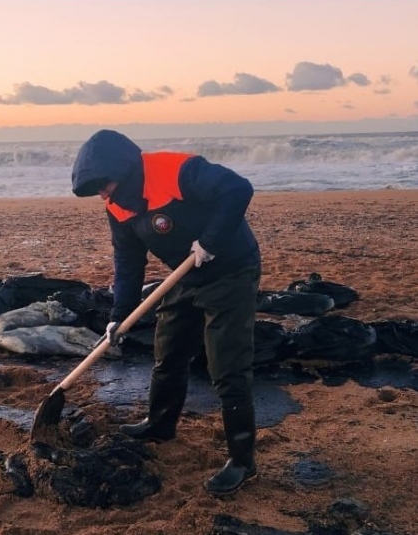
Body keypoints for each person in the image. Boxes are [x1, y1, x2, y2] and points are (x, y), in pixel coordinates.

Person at [71, 129, 262, 496]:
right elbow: (127, 261)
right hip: (185, 274)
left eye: (104, 185)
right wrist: (119, 313)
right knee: (169, 349)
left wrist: (210, 241)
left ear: (124, 170)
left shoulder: (178, 171)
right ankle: (160, 425)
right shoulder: (118, 204)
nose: (103, 194)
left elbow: (238, 189)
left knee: (227, 364)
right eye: (97, 190)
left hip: (231, 269)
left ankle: (241, 461)